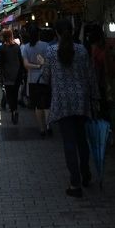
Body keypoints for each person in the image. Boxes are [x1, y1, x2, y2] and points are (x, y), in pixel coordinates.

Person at [41, 19, 99, 197]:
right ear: (73, 31)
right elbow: (91, 75)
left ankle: (75, 183)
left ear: (56, 33)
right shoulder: (81, 50)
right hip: (81, 101)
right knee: (82, 140)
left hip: (62, 102)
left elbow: (45, 77)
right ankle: (86, 174)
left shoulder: (51, 52)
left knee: (69, 142)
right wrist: (96, 97)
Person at [21, 23, 51, 136]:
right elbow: (49, 62)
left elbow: (26, 65)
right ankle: (48, 126)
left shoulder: (26, 47)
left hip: (33, 79)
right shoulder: (46, 45)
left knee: (38, 106)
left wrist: (36, 66)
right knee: (47, 105)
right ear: (39, 34)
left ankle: (42, 129)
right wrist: (41, 65)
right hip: (45, 78)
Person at [0, 28, 24, 124]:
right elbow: (20, 60)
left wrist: (0, 70)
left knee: (9, 94)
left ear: (4, 37)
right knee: (15, 94)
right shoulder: (17, 47)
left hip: (7, 75)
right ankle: (14, 110)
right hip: (17, 74)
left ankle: (13, 110)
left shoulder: (2, 48)